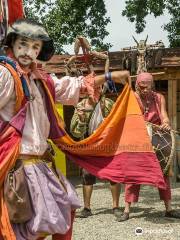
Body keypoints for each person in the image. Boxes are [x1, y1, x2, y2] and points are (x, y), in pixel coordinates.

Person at [0, 18, 130, 240]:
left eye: (34, 46)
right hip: (16, 165)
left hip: (39, 163)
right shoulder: (5, 75)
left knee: (64, 207)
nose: (27, 51)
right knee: (24, 226)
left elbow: (71, 85)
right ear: (12, 45)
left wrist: (109, 76)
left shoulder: (41, 79)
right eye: (22, 44)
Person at [117, 72, 180, 222]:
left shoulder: (159, 98)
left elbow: (164, 116)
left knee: (163, 173)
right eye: (142, 87)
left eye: (148, 86)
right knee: (132, 175)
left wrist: (165, 123)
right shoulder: (131, 97)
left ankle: (169, 208)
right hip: (137, 140)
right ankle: (126, 210)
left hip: (156, 139)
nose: (145, 90)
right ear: (137, 85)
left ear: (152, 85)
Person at [70, 89, 121, 218]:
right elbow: (75, 132)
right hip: (89, 146)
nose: (95, 92)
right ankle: (87, 208)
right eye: (92, 89)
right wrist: (81, 120)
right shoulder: (81, 106)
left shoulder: (109, 104)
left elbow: (119, 122)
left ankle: (116, 206)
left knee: (113, 175)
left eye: (98, 89)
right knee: (87, 175)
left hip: (107, 145)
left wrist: (108, 124)